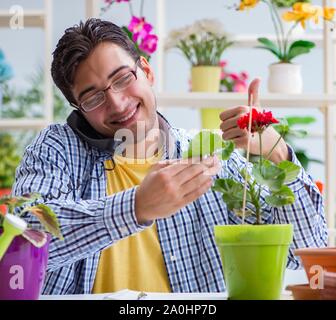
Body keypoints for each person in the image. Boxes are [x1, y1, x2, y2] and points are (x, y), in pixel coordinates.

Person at [13, 19, 327, 295]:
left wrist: (278, 153)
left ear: (146, 70)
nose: (118, 103)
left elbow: (302, 255)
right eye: (94, 96)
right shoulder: (57, 148)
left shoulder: (211, 155)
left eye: (123, 78)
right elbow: (23, 240)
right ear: (79, 109)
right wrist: (135, 208)